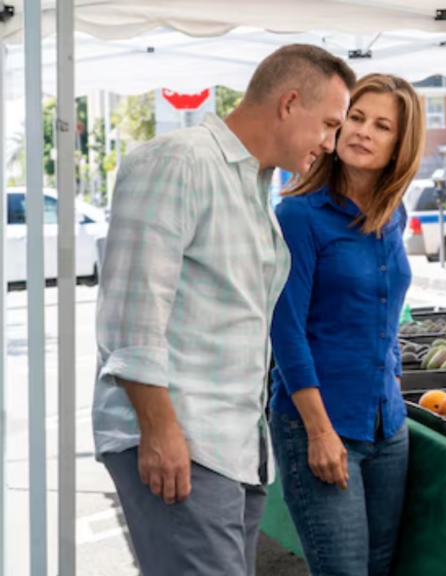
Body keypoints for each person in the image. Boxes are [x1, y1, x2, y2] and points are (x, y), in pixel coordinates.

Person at [93, 45, 356, 576]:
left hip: (234, 448)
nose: (331, 145)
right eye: (328, 125)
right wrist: (161, 432)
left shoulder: (252, 186)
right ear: (288, 104)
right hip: (183, 443)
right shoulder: (179, 161)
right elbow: (132, 315)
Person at [268, 73, 425, 576]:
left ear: (400, 144)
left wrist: (393, 382)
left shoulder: (392, 214)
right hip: (320, 425)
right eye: (356, 117)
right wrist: (318, 432)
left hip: (387, 427)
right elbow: (286, 330)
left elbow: (387, 311)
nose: (363, 132)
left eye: (382, 126)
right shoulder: (298, 215)